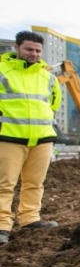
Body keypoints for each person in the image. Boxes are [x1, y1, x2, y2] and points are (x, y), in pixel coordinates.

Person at [0, 31, 62, 245]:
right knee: (4, 184)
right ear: (16, 48)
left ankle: (30, 219)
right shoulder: (2, 72)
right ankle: (2, 225)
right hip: (8, 137)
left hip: (42, 139)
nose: (33, 54)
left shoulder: (48, 77)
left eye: (37, 50)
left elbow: (53, 104)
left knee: (35, 183)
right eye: (29, 49)